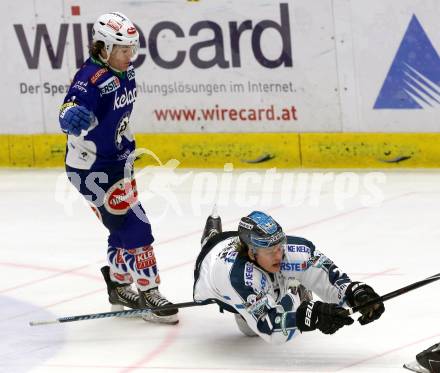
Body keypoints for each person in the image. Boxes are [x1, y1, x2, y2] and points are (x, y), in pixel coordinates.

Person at [58, 11, 178, 324]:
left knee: (119, 226)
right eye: (123, 50)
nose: (130, 56)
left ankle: (119, 284)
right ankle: (149, 291)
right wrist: (69, 117)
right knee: (136, 226)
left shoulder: (126, 72)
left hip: (118, 165)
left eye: (132, 50)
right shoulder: (90, 79)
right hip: (91, 170)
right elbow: (71, 105)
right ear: (103, 47)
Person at [193, 210, 385, 343]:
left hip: (252, 265)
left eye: (279, 246)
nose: (279, 255)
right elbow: (271, 329)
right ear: (251, 252)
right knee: (250, 332)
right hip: (213, 267)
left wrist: (356, 295)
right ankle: (210, 237)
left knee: (254, 324)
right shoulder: (235, 277)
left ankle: (289, 288)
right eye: (270, 251)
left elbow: (331, 281)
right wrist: (313, 316)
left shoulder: (292, 250)